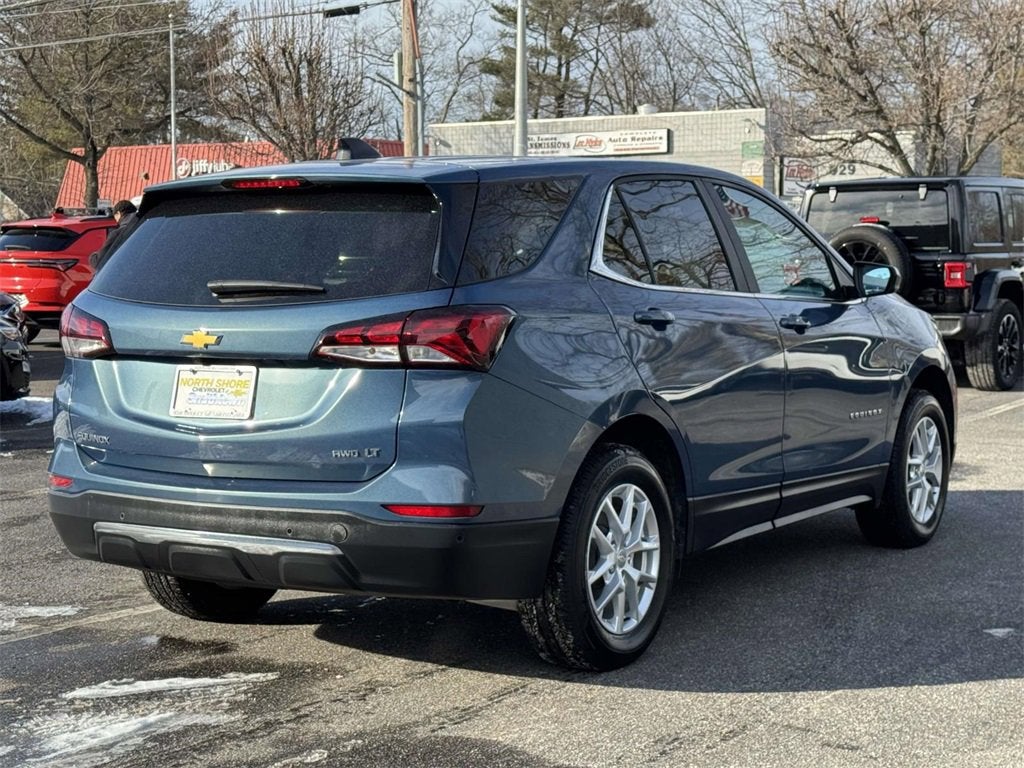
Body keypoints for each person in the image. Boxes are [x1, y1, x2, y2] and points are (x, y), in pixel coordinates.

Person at [90, 199, 138, 271]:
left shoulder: (118, 233)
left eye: (114, 216)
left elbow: (98, 262)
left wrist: (92, 257)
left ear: (118, 214)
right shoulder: (143, 225)